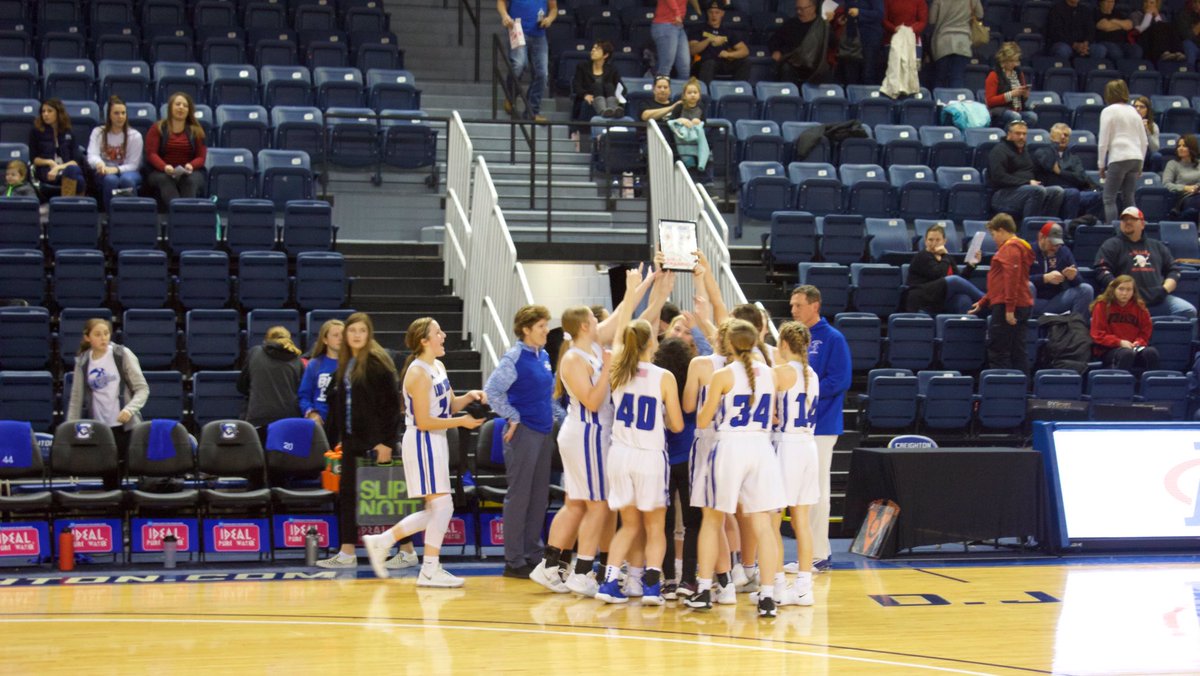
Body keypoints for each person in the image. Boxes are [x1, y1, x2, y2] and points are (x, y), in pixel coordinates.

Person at [362, 318, 486, 587]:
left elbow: (450, 404)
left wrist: (469, 397)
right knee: (443, 506)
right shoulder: (417, 373)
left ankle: (384, 543)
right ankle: (428, 568)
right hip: (422, 440)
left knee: (437, 508)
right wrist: (462, 422)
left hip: (436, 440)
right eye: (438, 332)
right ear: (424, 341)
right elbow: (424, 421)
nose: (444, 335)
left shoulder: (438, 366)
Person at [687, 319, 784, 617]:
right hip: (761, 449)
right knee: (763, 525)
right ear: (754, 341)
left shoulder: (722, 374)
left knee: (712, 520)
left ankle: (704, 590)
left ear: (728, 343)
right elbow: (775, 416)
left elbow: (702, 421)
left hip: (729, 446)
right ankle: (767, 596)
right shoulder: (771, 374)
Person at [595, 305, 685, 605]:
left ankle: (608, 583)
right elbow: (677, 423)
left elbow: (622, 337)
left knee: (629, 525)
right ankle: (650, 586)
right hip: (648, 456)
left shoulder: (618, 371)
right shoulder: (664, 377)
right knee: (655, 527)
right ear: (652, 343)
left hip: (620, 455)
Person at [528, 306, 614, 596]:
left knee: (576, 503)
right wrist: (608, 372)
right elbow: (591, 401)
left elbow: (624, 314)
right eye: (594, 319)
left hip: (583, 434)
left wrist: (646, 287)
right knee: (598, 504)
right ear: (585, 326)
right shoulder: (576, 357)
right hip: (587, 433)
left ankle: (550, 565)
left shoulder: (589, 349)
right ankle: (582, 572)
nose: (598, 322)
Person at [317, 313, 401, 570]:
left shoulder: (377, 363)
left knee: (387, 498)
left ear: (368, 334)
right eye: (351, 330)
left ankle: (407, 549)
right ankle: (347, 552)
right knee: (348, 496)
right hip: (354, 441)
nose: (355, 335)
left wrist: (386, 442)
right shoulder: (347, 363)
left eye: (361, 331)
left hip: (376, 443)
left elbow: (391, 407)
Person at [483, 304, 557, 578]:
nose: (546, 330)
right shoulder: (514, 358)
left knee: (539, 497)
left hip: (543, 432)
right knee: (520, 496)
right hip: (523, 433)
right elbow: (492, 391)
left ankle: (533, 554)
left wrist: (562, 417)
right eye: (541, 326)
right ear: (526, 329)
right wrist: (512, 417)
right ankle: (513, 560)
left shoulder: (544, 355)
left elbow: (548, 396)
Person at [788, 285, 850, 572]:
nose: (793, 310)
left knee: (818, 489)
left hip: (823, 425)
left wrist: (806, 391)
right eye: (791, 306)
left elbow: (840, 380)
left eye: (798, 305)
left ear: (815, 306)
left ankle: (820, 554)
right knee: (803, 491)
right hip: (798, 426)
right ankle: (807, 555)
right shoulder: (795, 339)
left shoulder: (833, 338)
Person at [66, 318, 150, 490]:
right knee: (109, 476)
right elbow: (76, 398)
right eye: (97, 334)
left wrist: (130, 409)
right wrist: (69, 430)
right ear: (87, 337)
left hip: (125, 424)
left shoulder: (122, 354)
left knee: (131, 469)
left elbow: (142, 389)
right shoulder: (83, 361)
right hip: (101, 427)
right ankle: (113, 511)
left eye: (106, 333)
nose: (103, 338)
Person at [772, 321, 820, 608]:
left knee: (773, 521)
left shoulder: (781, 373)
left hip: (787, 446)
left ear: (784, 345)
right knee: (802, 522)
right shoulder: (812, 374)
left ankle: (777, 583)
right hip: (808, 446)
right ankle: (804, 587)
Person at [656, 336, 699, 601]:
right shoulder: (693, 380)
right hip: (691, 455)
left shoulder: (658, 379)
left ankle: (669, 579)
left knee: (665, 522)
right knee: (694, 522)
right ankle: (688, 580)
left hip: (663, 457)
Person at [1095, 206, 1196, 317]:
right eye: (1124, 219)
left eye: (1132, 219)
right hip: (1125, 300)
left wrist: (1164, 290)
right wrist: (1120, 291)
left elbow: (1173, 270)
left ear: (1142, 224)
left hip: (1158, 298)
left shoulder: (1157, 246)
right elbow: (1101, 269)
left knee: (1188, 310)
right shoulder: (1111, 245)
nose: (1127, 222)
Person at [969, 213, 1036, 374]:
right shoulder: (1020, 247)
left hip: (1009, 306)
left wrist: (1010, 309)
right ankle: (1021, 389)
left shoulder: (1010, 248)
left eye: (993, 234)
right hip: (1018, 303)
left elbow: (1011, 279)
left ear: (1001, 230)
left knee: (998, 350)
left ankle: (1002, 389)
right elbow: (1000, 282)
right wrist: (984, 301)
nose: (993, 239)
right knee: (1017, 350)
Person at [238, 326, 304, 445]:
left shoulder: (255, 352)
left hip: (258, 417)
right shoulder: (298, 360)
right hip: (289, 419)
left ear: (266, 340)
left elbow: (242, 386)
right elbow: (301, 391)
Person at [988, 119, 1065, 219]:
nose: (1021, 137)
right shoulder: (999, 150)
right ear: (1009, 134)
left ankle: (1045, 225)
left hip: (1026, 190)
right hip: (1003, 195)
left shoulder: (1025, 151)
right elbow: (999, 177)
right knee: (1037, 191)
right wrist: (1027, 182)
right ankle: (1029, 228)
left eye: (1024, 134)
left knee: (1057, 191)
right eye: (1018, 134)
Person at [145, 92, 207, 209]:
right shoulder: (157, 128)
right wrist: (165, 167)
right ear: (170, 108)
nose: (181, 108)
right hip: (161, 171)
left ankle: (185, 215)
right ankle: (178, 214)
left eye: (185, 105)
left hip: (189, 171)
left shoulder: (197, 131)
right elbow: (151, 154)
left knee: (189, 180)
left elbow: (201, 157)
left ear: (189, 110)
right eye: (177, 104)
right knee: (165, 179)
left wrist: (191, 165)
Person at [1098, 79, 1149, 224]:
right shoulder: (1134, 111)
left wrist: (1101, 164)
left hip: (1119, 157)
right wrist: (1141, 165)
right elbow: (1144, 141)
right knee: (1129, 197)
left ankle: (1112, 231)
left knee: (1109, 198)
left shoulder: (1108, 111)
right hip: (1136, 158)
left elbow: (1103, 142)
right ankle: (1134, 231)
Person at [905, 223, 984, 314]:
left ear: (944, 241)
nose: (934, 243)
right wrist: (945, 256)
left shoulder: (947, 258)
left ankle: (965, 323)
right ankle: (987, 300)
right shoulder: (922, 256)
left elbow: (961, 281)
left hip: (940, 298)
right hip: (922, 297)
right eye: (930, 240)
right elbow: (939, 274)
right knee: (954, 280)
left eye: (938, 240)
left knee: (963, 299)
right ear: (925, 241)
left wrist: (971, 265)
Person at [498, 0, 556, 122]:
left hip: (539, 33)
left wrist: (549, 19)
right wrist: (505, 16)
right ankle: (511, 95)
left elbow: (553, 9)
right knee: (519, 64)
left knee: (542, 74)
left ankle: (532, 111)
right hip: (517, 29)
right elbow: (501, 2)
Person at [1090, 274, 1161, 372]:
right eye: (1121, 289)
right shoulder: (1102, 305)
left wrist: (1139, 342)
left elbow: (1145, 332)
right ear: (1113, 289)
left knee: (1151, 353)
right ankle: (1119, 385)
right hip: (1109, 349)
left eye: (1129, 290)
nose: (1124, 293)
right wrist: (1119, 342)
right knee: (1126, 354)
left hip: (1134, 347)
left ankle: (1149, 385)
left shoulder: (1140, 307)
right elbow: (1097, 334)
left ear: (1133, 291)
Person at [1032, 123, 1103, 219]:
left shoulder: (1073, 158)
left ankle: (1087, 226)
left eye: (1066, 135)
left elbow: (1081, 177)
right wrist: (1055, 145)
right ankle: (1068, 225)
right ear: (1051, 137)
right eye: (1059, 135)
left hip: (1074, 191)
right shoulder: (1042, 152)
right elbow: (1049, 165)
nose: (1063, 137)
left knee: (1099, 196)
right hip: (1052, 191)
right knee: (1073, 193)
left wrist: (1061, 172)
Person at [87, 95, 143, 209]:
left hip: (129, 172)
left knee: (126, 180)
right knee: (110, 180)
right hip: (104, 171)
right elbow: (92, 155)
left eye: (123, 113)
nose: (120, 116)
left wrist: (116, 169)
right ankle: (111, 216)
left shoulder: (135, 135)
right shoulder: (98, 132)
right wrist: (98, 163)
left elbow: (134, 164)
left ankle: (132, 215)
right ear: (109, 115)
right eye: (116, 113)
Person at [1031, 222, 1095, 317]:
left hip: (1056, 301)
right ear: (1041, 237)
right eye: (1052, 243)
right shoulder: (1028, 250)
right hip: (1033, 301)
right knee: (1028, 286)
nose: (1055, 247)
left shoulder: (1064, 252)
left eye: (1057, 244)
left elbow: (1079, 281)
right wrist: (1044, 278)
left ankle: (1077, 329)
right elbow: (1019, 281)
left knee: (1086, 289)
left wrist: (1073, 277)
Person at [29, 98, 85, 198]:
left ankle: (66, 204)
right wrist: (50, 162)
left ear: (58, 113)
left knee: (72, 170)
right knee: (79, 180)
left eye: (49, 111)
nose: (45, 114)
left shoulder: (68, 132)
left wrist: (58, 167)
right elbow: (34, 159)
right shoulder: (36, 132)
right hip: (47, 171)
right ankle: (69, 206)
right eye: (43, 111)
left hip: (65, 169)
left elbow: (75, 161)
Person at [769, 0, 832, 86]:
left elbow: (832, 42)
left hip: (815, 64)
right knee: (786, 68)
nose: (799, 12)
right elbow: (774, 40)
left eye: (802, 9)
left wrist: (828, 24)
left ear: (813, 8)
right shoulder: (791, 24)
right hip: (794, 63)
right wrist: (776, 50)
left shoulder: (821, 25)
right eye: (797, 9)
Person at [689, 0, 750, 84]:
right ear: (707, 13)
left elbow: (745, 50)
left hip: (722, 62)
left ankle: (739, 89)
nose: (714, 15)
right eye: (711, 12)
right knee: (710, 63)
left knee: (745, 62)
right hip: (703, 62)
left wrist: (729, 54)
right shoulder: (699, 29)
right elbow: (692, 50)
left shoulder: (727, 32)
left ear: (722, 14)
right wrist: (708, 40)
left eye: (717, 12)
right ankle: (706, 92)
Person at [298, 319, 344, 427]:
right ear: (325, 339)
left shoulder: (352, 364)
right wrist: (311, 413)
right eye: (335, 335)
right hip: (321, 422)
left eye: (343, 335)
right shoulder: (314, 364)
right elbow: (304, 396)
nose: (340, 338)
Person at [928, 0, 983, 89]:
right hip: (963, 41)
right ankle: (957, 101)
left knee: (940, 78)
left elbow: (931, 20)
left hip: (943, 41)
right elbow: (980, 14)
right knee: (957, 78)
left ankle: (938, 101)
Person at [984, 42, 1037, 128]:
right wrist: (1011, 94)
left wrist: (1025, 95)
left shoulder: (1019, 73)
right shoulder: (994, 74)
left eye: (1016, 61)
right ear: (1004, 60)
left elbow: (1021, 99)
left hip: (1017, 109)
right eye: (1012, 61)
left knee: (1032, 117)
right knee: (1015, 117)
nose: (1015, 64)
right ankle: (1008, 138)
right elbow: (990, 101)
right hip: (998, 110)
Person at [572, 41, 623, 119]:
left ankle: (612, 110)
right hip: (589, 98)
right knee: (597, 85)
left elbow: (621, 87)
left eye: (597, 49)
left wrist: (618, 96)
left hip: (607, 98)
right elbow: (576, 85)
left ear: (605, 55)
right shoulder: (582, 66)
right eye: (593, 48)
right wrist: (585, 95)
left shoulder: (612, 69)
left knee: (609, 86)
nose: (593, 50)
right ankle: (603, 111)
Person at [653, 0, 699, 78]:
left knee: (684, 66)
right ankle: (659, 88)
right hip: (665, 24)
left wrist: (698, 10)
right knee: (665, 67)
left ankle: (682, 90)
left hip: (678, 26)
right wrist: (677, 13)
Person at [1162, 134, 1200, 220]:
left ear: (1192, 148)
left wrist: (1196, 187)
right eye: (1179, 146)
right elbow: (1166, 184)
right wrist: (1185, 188)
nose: (1180, 148)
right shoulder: (1172, 164)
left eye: (1184, 146)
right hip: (1183, 198)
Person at [1134, 96, 1163, 172]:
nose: (1138, 109)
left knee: (1157, 156)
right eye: (1136, 106)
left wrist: (1147, 131)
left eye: (1142, 107)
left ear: (1148, 110)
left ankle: (1151, 178)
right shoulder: (1128, 124)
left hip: (1146, 154)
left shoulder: (1153, 126)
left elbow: (1155, 148)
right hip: (1131, 153)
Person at [1174, 0, 1200, 68]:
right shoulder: (1184, 15)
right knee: (1188, 44)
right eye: (1195, 2)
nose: (1197, 5)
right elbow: (1188, 36)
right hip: (1192, 45)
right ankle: (1189, 72)